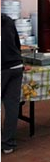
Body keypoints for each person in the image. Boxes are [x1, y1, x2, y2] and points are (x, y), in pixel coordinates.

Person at [2, 14, 26, 154]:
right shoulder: (8, 20)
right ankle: (8, 144)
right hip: (16, 66)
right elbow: (17, 44)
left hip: (3, 68)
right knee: (12, 106)